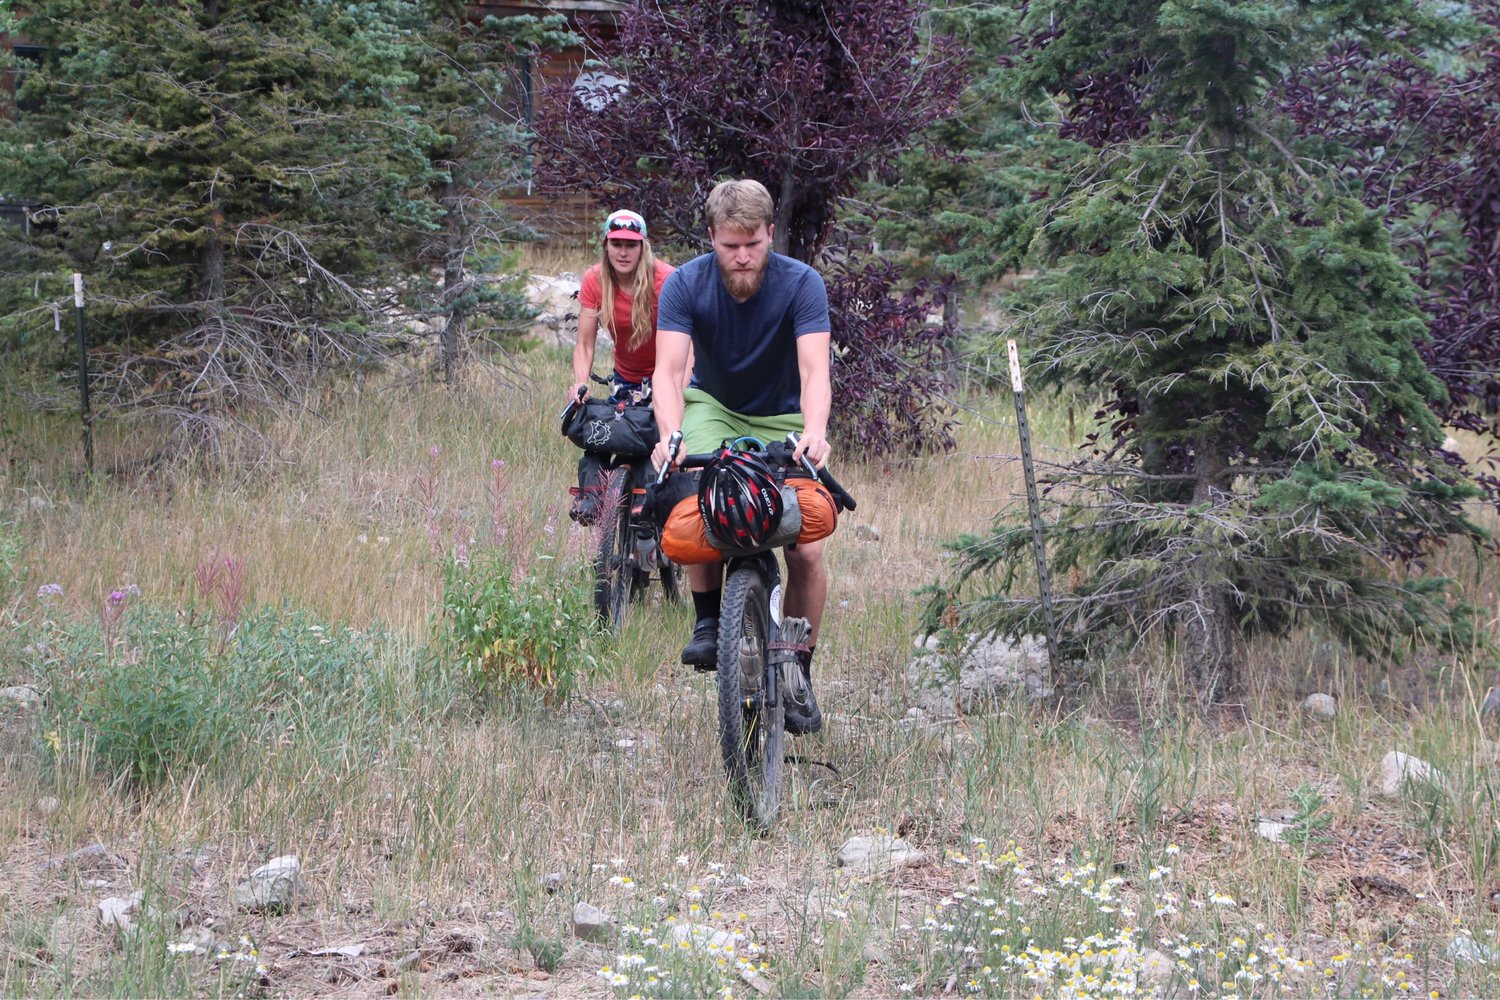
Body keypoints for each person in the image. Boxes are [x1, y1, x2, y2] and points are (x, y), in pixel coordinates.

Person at [650, 179, 834, 736]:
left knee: (806, 548)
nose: (743, 256)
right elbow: (667, 371)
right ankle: (709, 622)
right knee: (696, 491)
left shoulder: (802, 284)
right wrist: (670, 435)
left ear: (770, 234)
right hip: (716, 407)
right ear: (712, 238)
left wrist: (817, 431)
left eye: (752, 242)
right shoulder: (684, 284)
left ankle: (798, 667)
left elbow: (814, 372)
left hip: (783, 416)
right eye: (730, 245)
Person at [568, 209, 676, 525]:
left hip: (666, 373)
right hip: (626, 378)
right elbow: (585, 343)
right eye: (616, 243)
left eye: (631, 244)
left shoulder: (666, 281)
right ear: (606, 245)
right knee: (601, 434)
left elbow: (687, 342)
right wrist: (579, 383)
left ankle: (653, 510)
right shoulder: (594, 280)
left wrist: (676, 390)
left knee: (655, 445)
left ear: (643, 246)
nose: (623, 252)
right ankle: (593, 498)